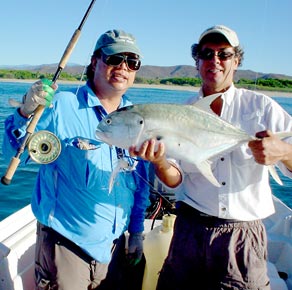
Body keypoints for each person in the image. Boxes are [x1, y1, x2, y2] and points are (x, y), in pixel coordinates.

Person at [130, 24, 292, 289]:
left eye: (224, 54)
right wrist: (158, 161)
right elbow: (174, 179)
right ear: (197, 62)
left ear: (236, 60)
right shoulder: (179, 113)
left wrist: (283, 151)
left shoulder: (261, 107)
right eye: (206, 54)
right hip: (190, 230)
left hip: (242, 236)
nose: (214, 61)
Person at [2, 29, 150, 289]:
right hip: (66, 245)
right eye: (114, 59)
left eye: (132, 62)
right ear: (95, 62)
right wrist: (25, 111)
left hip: (115, 246)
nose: (123, 67)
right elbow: (17, 151)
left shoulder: (138, 117)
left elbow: (140, 183)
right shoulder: (61, 106)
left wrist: (136, 232)